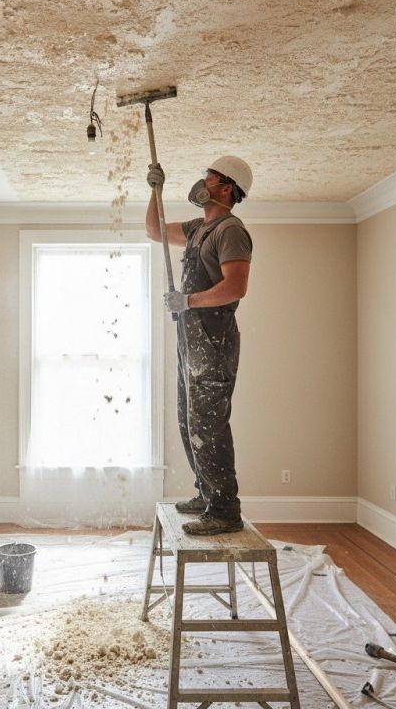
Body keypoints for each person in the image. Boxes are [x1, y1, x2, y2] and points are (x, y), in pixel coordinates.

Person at [146, 156, 253, 535]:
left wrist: (188, 301)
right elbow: (155, 231)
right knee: (188, 419)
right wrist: (155, 190)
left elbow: (236, 286)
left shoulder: (231, 230)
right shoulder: (198, 229)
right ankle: (206, 494)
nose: (201, 181)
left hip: (214, 337)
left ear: (226, 188)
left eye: (208, 177)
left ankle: (224, 509)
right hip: (190, 340)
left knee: (208, 423)